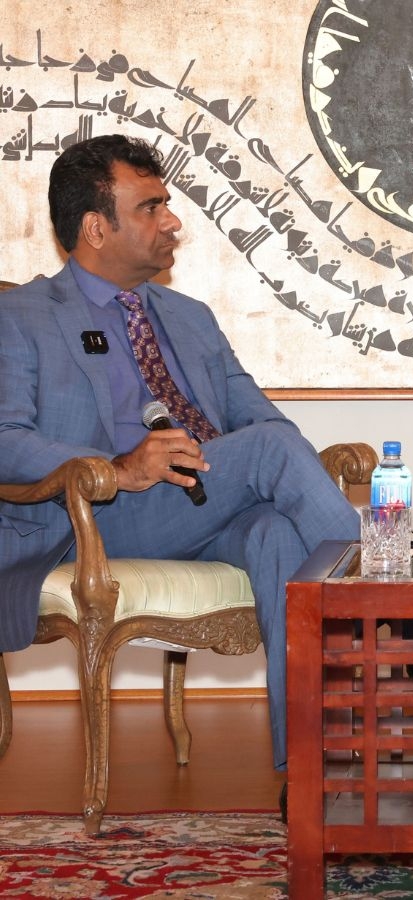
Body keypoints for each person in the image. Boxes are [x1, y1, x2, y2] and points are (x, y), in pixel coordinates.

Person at [0, 135, 359, 802]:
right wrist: (118, 467)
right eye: (151, 207)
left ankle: (310, 775)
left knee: (279, 537)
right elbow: (4, 439)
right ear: (95, 227)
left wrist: (248, 463)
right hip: (99, 516)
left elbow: (264, 421)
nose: (173, 222)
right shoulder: (20, 317)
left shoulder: (190, 318)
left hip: (206, 503)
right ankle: (407, 616)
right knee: (273, 454)